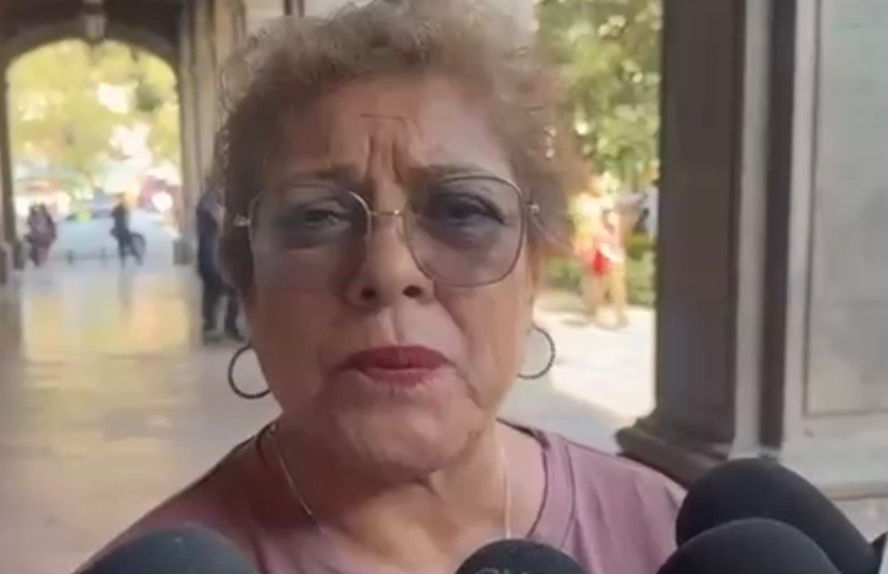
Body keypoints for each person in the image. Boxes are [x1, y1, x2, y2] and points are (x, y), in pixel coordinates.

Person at [87, 2, 681, 573]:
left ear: (534, 270)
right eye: (317, 217)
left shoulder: (662, 534)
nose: (390, 271)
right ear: (248, 285)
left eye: (461, 211)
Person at [574, 189, 630, 329]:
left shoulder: (611, 222)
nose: (607, 214)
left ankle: (619, 316)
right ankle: (598, 315)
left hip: (613, 259)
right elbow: (596, 240)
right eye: (605, 212)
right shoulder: (602, 224)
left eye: (608, 211)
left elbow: (614, 240)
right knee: (601, 290)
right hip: (606, 259)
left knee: (615, 290)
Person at [197, 190, 242, 341]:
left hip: (210, 253)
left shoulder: (208, 199)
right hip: (213, 253)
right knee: (226, 289)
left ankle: (213, 327)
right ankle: (224, 327)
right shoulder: (210, 201)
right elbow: (221, 221)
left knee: (215, 291)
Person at [110, 199, 142, 265]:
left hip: (119, 233)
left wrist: (114, 231)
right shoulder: (122, 212)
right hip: (124, 232)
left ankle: (123, 262)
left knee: (121, 247)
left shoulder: (116, 213)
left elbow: (112, 215)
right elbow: (126, 217)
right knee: (130, 245)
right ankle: (137, 258)